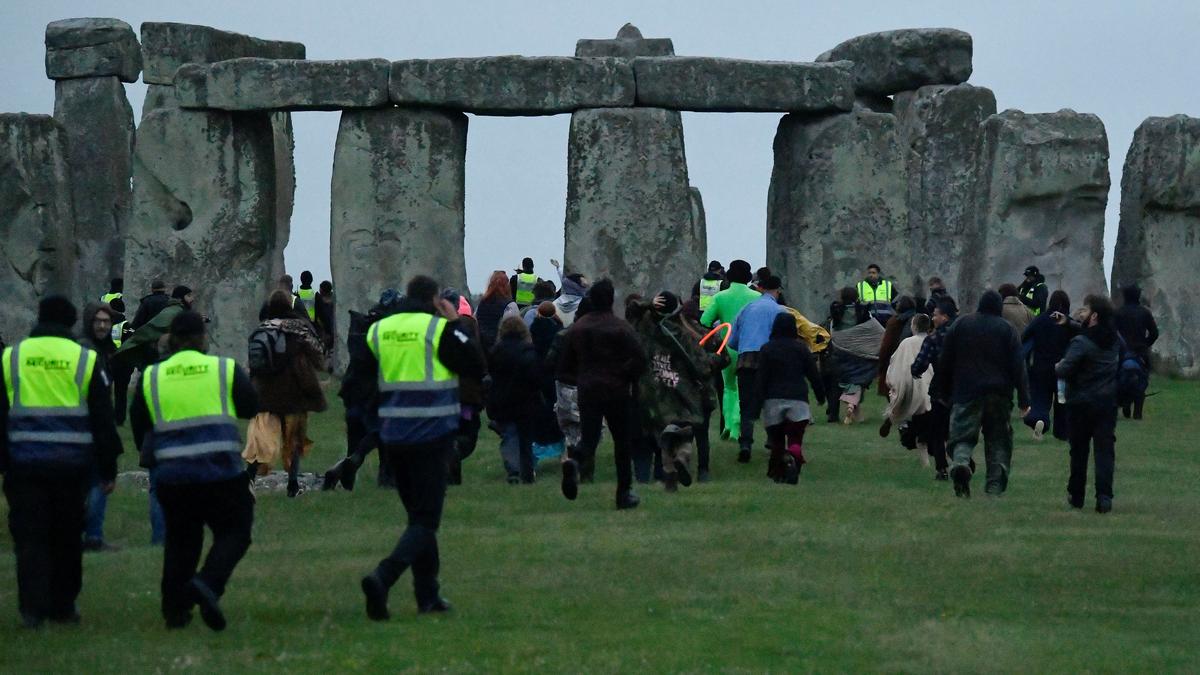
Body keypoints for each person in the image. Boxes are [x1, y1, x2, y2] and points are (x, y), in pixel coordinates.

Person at [359, 275, 485, 621]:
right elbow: (475, 364)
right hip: (431, 434)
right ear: (434, 300)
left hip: (393, 437)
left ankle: (427, 595)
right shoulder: (437, 330)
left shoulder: (379, 330)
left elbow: (360, 381)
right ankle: (383, 577)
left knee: (418, 517)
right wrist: (456, 322)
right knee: (427, 519)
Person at [130, 311, 258, 630]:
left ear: (170, 339)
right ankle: (207, 583)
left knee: (181, 541)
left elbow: (139, 423)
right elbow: (251, 406)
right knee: (235, 531)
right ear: (203, 338)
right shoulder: (223, 369)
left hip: (173, 473)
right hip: (221, 471)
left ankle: (175, 611)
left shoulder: (152, 375)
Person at [1, 296, 123, 628]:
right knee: (67, 537)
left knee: (30, 538)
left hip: (23, 464)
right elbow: (102, 418)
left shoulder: (11, 357)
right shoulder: (84, 359)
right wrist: (108, 466)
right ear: (71, 323)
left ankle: (32, 609)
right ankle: (63, 606)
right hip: (72, 466)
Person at [557, 280, 648, 509]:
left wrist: (580, 377)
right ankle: (623, 493)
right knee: (622, 442)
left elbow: (563, 365)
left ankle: (575, 461)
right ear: (611, 300)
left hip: (588, 389)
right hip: (617, 389)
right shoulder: (621, 327)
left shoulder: (577, 328)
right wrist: (626, 375)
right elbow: (640, 359)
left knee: (589, 438)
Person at [937, 290, 1031, 498]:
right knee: (998, 440)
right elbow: (1019, 366)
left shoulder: (961, 325)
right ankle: (994, 487)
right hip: (999, 394)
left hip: (966, 391)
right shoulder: (1008, 329)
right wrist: (1025, 399)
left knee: (961, 436)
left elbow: (945, 360)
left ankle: (961, 463)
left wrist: (943, 391)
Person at [630, 292, 726, 492]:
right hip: (681, 392)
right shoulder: (683, 335)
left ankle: (670, 477)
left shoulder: (645, 330)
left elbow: (631, 311)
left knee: (664, 437)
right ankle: (683, 456)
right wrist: (719, 359)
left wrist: (648, 304)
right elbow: (703, 366)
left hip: (653, 393)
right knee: (684, 434)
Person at [242, 290, 328, 498]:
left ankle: (249, 478)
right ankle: (292, 483)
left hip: (265, 390)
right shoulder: (299, 327)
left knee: (261, 437)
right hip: (294, 390)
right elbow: (319, 355)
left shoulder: (262, 329)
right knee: (294, 438)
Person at [1054, 295, 1120, 513]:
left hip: (1081, 403)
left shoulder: (1081, 343)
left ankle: (1077, 494)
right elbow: (1091, 333)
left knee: (1079, 451)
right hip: (1106, 402)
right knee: (1104, 451)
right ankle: (1104, 496)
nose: (1082, 314)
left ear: (1094, 316)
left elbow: (1064, 369)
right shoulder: (1114, 341)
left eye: (1086, 310)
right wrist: (1070, 324)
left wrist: (1058, 365)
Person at [756, 312, 825, 484]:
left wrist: (756, 403)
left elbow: (761, 378)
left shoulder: (767, 349)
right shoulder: (801, 348)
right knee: (795, 436)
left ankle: (779, 472)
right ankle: (794, 453)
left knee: (777, 440)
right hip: (798, 400)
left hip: (773, 400)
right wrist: (820, 395)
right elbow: (813, 374)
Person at [727, 275, 787, 463]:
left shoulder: (747, 308)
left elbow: (732, 340)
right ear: (777, 291)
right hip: (771, 360)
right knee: (772, 402)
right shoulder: (780, 310)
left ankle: (745, 443)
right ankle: (771, 439)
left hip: (746, 359)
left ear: (760, 289)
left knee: (747, 405)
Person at [700, 259, 760, 443]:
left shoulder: (720, 297)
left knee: (729, 388)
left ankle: (729, 426)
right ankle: (738, 420)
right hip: (749, 349)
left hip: (726, 348)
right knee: (746, 389)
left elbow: (704, 321)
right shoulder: (756, 298)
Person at [78, 303, 121, 552]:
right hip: (88, 425)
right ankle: (92, 536)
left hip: (90, 424)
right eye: (98, 321)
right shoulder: (87, 350)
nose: (103, 325)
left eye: (106, 321)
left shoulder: (103, 351)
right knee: (96, 481)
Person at [487, 316, 542, 484]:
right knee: (526, 439)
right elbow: (535, 377)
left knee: (510, 436)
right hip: (526, 401)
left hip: (503, 400)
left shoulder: (495, 352)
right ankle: (527, 472)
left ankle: (513, 470)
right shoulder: (528, 350)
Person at [911, 296, 959, 480]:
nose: (933, 318)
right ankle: (963, 459)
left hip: (941, 389)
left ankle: (942, 468)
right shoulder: (964, 335)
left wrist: (915, 372)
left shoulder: (935, 338)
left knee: (938, 431)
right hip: (963, 388)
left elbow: (920, 364)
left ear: (944, 317)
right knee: (960, 427)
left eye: (936, 315)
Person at [1022, 290, 1075, 441]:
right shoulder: (1068, 322)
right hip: (1063, 369)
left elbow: (1025, 337)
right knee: (1062, 401)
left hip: (1041, 367)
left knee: (1040, 399)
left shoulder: (1040, 320)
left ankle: (1040, 420)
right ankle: (1062, 432)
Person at [1114, 284, 1158, 419]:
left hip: (1122, 353)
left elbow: (1112, 332)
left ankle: (1125, 403)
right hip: (1141, 353)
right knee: (1142, 380)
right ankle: (1137, 411)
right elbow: (1154, 333)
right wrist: (1145, 344)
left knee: (1120, 378)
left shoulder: (1119, 312)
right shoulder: (1144, 312)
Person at [819, 287, 858, 423]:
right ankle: (851, 407)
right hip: (853, 354)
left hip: (834, 354)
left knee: (832, 385)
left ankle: (833, 411)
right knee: (853, 384)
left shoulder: (834, 314)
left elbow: (823, 333)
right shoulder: (860, 314)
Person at [876, 296, 919, 398]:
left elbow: (886, 345)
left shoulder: (894, 322)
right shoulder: (918, 320)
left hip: (894, 361)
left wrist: (881, 363)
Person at [476, 270, 516, 352]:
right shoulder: (510, 306)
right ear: (507, 285)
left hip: (482, 347)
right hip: (500, 349)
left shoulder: (481, 304)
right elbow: (513, 330)